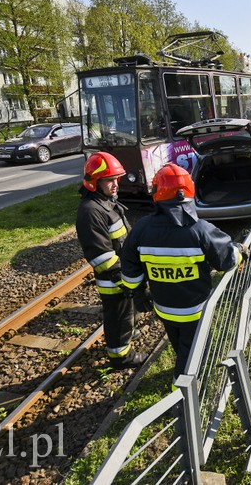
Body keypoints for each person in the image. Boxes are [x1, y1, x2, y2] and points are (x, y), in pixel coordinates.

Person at [119, 163, 245, 381]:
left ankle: (187, 368)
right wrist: (241, 249)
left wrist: (137, 294)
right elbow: (227, 259)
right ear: (189, 191)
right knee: (192, 350)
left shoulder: (141, 229)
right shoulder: (200, 230)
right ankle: (183, 394)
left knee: (179, 343)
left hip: (163, 307)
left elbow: (129, 265)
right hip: (194, 310)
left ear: (157, 193)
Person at [76, 152, 146, 370]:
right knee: (118, 317)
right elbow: (102, 256)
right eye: (109, 180)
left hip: (124, 274)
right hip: (114, 280)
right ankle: (121, 357)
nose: (116, 184)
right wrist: (125, 281)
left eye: (117, 178)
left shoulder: (105, 202)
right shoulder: (90, 212)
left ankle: (129, 334)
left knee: (128, 312)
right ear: (94, 182)